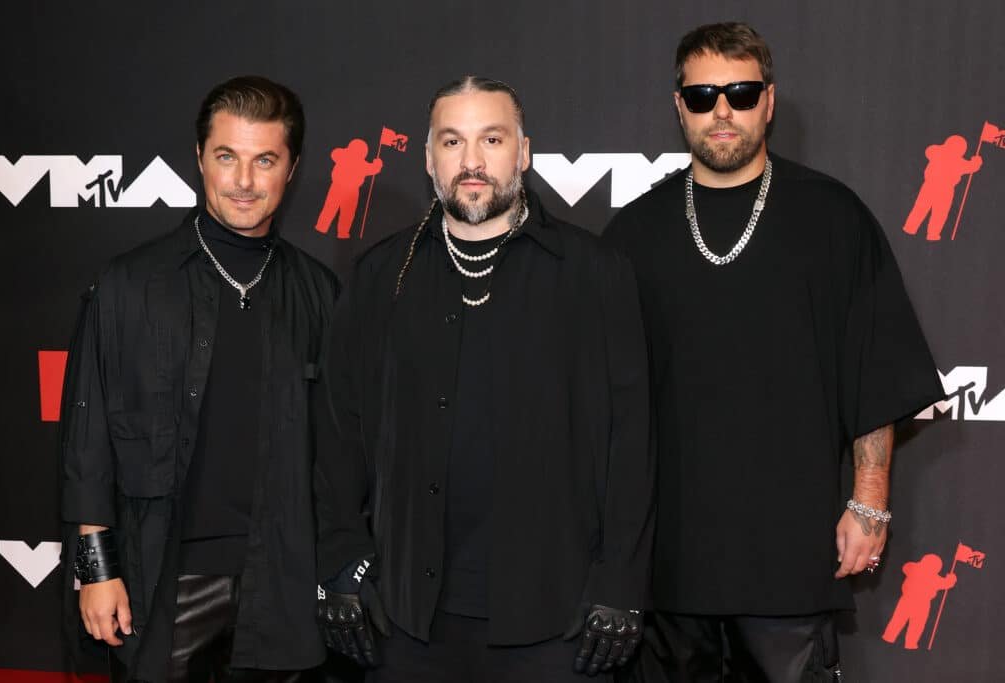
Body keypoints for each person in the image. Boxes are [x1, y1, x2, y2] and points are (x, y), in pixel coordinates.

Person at [603, 23, 945, 682]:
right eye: (702, 95)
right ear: (679, 106)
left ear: (769, 100)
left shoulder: (833, 218)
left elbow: (873, 364)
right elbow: (599, 400)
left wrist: (869, 499)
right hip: (667, 564)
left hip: (790, 558)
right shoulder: (632, 234)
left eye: (739, 90)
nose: (721, 110)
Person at [315, 75, 653, 682]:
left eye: (491, 139)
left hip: (558, 619)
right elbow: (340, 434)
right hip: (406, 620)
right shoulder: (380, 276)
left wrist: (620, 583)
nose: (471, 161)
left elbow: (632, 439)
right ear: (428, 158)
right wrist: (341, 564)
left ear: (523, 153)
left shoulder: (595, 273)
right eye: (452, 142)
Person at [59, 75, 339, 682]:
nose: (243, 181)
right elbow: (87, 443)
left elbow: (342, 458)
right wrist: (96, 568)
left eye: (264, 159)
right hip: (164, 582)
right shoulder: (129, 285)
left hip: (284, 587)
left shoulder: (321, 295)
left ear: (290, 169)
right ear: (200, 160)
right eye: (226, 157)